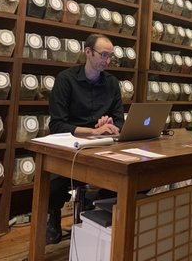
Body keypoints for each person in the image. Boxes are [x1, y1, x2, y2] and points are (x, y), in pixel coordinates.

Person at [46, 33, 124, 244]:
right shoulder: (66, 80)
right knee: (53, 183)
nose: (107, 61)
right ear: (88, 52)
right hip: (72, 148)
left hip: (103, 147)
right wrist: (92, 131)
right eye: (103, 55)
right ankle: (52, 215)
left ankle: (98, 206)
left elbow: (120, 121)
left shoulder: (112, 83)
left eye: (111, 56)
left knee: (129, 175)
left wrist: (110, 127)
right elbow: (56, 125)